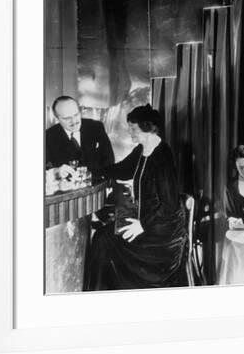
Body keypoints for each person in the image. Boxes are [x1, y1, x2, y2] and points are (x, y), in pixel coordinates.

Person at [84, 104, 187, 290]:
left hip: (162, 233)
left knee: (102, 239)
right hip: (148, 220)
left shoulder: (163, 155)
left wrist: (142, 225)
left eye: (133, 128)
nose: (130, 132)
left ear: (146, 128)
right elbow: (122, 170)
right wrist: (90, 171)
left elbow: (169, 205)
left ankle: (100, 296)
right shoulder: (142, 149)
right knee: (102, 236)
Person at [45, 95, 115, 180]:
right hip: (68, 190)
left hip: (99, 186)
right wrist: (56, 172)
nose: (74, 121)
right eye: (67, 118)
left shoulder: (96, 127)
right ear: (57, 118)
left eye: (76, 115)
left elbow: (109, 160)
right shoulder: (48, 136)